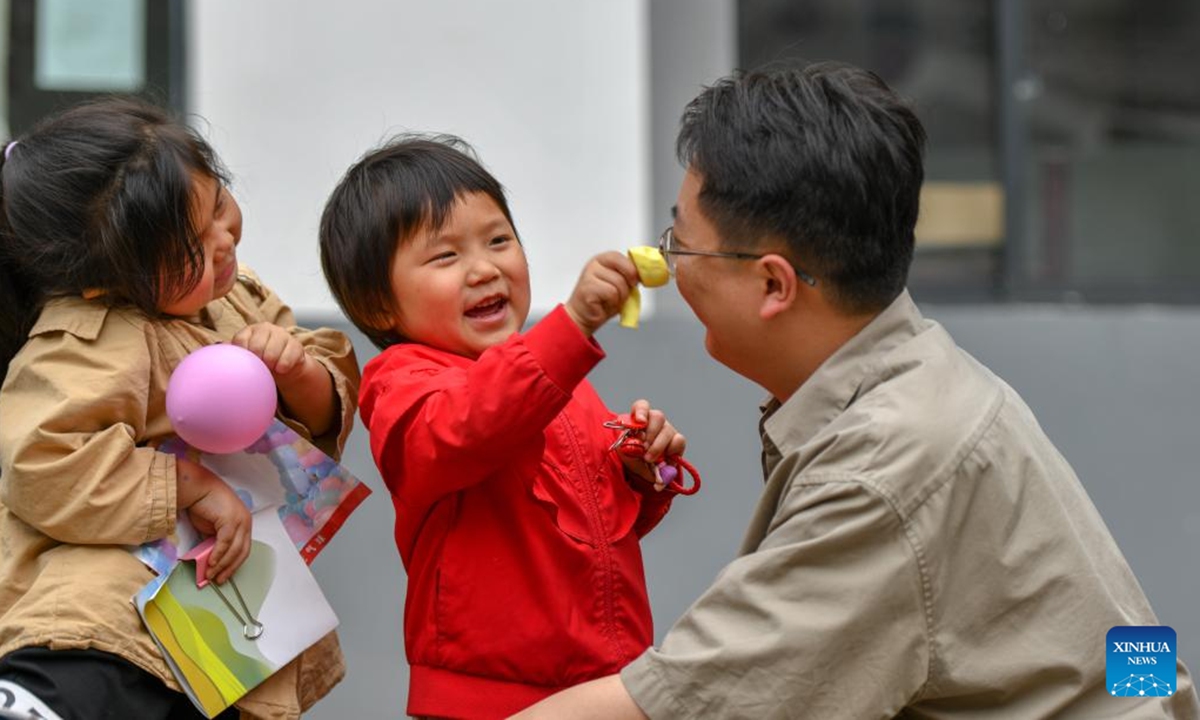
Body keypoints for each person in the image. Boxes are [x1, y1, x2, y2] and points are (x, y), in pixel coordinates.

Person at [513, 61, 1200, 718]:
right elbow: (1135, 655)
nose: (669, 264)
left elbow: (685, 703)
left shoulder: (885, 468)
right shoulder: (927, 381)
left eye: (681, 244)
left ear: (774, 284)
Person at [0, 97, 360, 719]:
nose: (223, 241)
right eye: (188, 245)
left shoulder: (235, 298)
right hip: (104, 615)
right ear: (104, 277)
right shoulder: (88, 338)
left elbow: (325, 408)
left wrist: (299, 373)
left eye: (219, 204)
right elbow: (43, 460)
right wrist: (186, 486)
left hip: (216, 614)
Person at [319, 135, 688, 719]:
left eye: (498, 241)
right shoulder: (401, 383)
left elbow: (600, 520)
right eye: (445, 257)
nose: (484, 268)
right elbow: (470, 426)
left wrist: (644, 468)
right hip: (487, 703)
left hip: (604, 686)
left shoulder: (555, 377)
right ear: (377, 305)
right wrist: (574, 324)